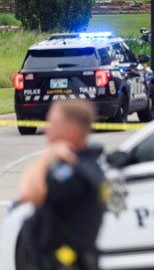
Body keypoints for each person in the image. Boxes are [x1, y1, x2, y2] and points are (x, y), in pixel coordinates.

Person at [19, 99, 106, 270]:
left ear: (71, 131)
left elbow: (28, 193)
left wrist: (47, 155)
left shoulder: (76, 173)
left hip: (65, 263)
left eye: (53, 123)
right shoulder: (80, 164)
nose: (46, 130)